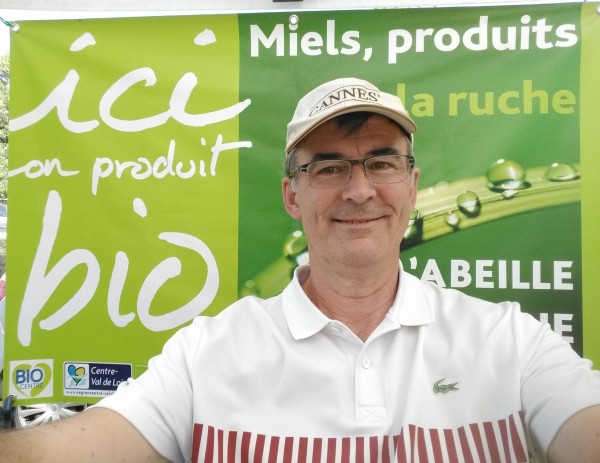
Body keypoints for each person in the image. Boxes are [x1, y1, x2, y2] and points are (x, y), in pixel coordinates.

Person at [1, 77, 599, 462]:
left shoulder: (510, 340)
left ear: (413, 186)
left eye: (382, 162)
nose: (359, 191)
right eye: (329, 168)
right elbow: (71, 450)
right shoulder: (205, 355)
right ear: (292, 196)